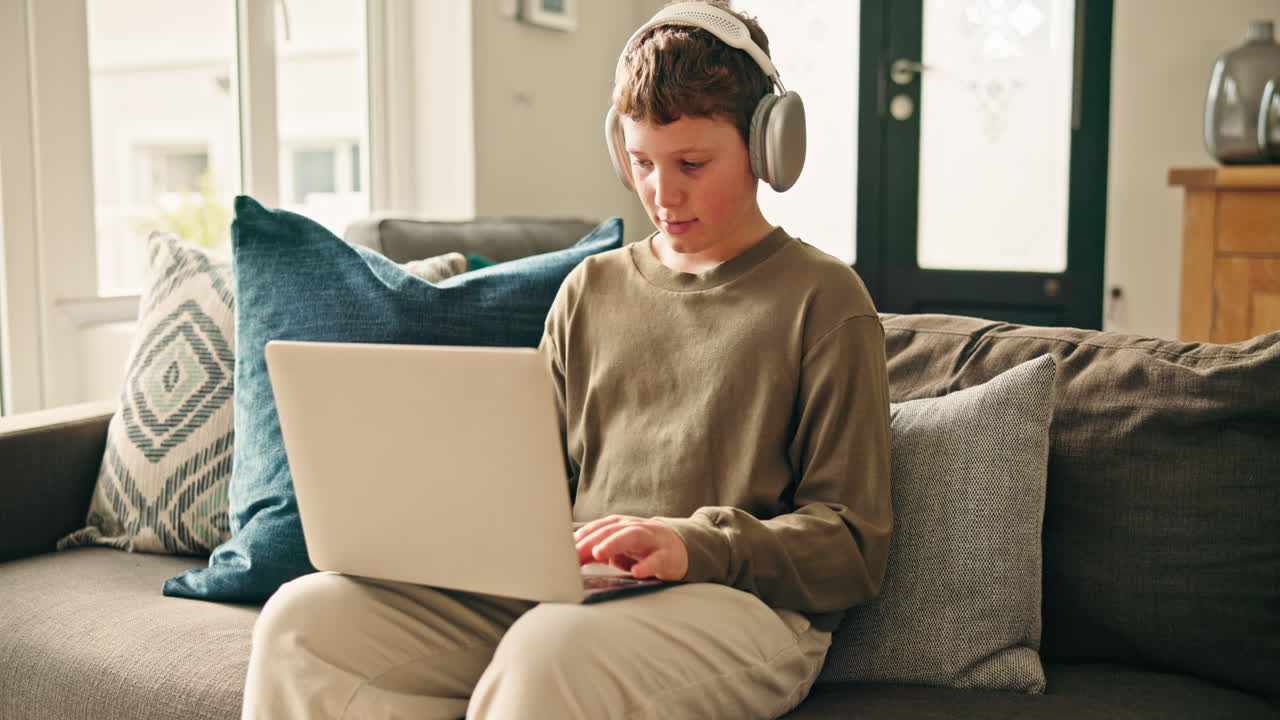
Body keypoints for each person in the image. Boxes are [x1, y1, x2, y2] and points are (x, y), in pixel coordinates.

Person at [240, 2, 891, 718]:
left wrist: (690, 543)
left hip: (742, 606)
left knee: (550, 650)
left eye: (693, 164)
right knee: (304, 622)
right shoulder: (591, 290)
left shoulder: (825, 299)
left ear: (768, 149)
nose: (662, 194)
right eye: (642, 163)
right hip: (577, 589)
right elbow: (530, 476)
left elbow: (853, 544)